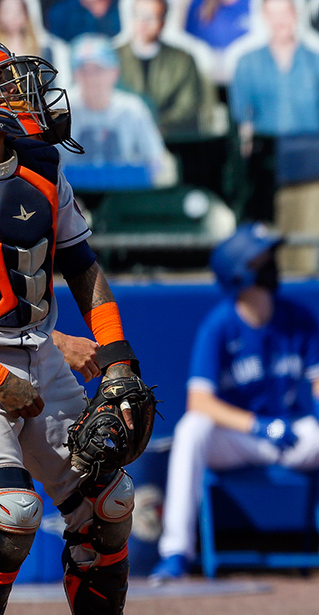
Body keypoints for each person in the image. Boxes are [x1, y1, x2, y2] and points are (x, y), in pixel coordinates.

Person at [0, 41, 158, 614]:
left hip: (34, 347)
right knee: (12, 515)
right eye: (9, 88)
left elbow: (82, 265)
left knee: (109, 503)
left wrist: (118, 364)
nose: (26, 96)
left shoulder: (40, 164)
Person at [150, 224, 319, 587]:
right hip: (240, 438)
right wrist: (258, 426)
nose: (273, 266)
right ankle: (176, 552)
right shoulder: (219, 326)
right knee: (190, 428)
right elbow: (199, 401)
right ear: (239, 272)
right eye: (262, 260)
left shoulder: (298, 318)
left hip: (290, 434)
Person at [228, 0, 319, 138]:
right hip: (266, 151)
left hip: (311, 147)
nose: (280, 20)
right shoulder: (247, 63)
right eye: (272, 14)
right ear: (263, 16)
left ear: (296, 13)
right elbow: (243, 118)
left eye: (285, 12)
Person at [64, 35, 173, 185]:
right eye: (84, 70)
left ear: (114, 73)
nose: (92, 78)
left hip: (124, 195)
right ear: (75, 75)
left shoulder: (133, 109)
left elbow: (156, 159)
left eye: (99, 70)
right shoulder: (57, 109)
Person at [116, 0, 209, 139]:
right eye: (137, 15)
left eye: (150, 17)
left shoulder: (183, 60)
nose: (142, 23)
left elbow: (188, 107)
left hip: (171, 138)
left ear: (163, 21)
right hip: (122, 137)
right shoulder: (113, 58)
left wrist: (154, 126)